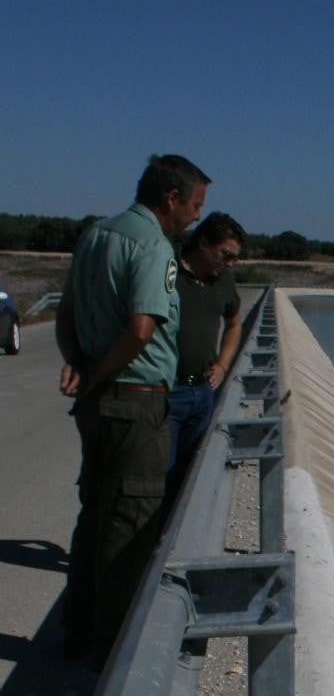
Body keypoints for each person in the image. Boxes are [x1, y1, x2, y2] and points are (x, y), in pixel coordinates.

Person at [56, 154, 209, 664]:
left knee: (94, 518)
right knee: (131, 531)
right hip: (137, 403)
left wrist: (79, 364)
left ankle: (76, 635)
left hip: (98, 406)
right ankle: (112, 656)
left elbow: (66, 314)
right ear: (171, 198)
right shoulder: (152, 245)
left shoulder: (96, 235)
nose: (194, 217)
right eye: (194, 206)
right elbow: (143, 330)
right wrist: (99, 373)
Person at [166, 212, 245, 506]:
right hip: (167, 392)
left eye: (234, 258)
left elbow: (234, 322)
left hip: (201, 392)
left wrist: (223, 364)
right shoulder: (169, 273)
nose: (228, 264)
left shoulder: (223, 281)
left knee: (186, 478)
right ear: (202, 242)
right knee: (159, 476)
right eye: (225, 255)